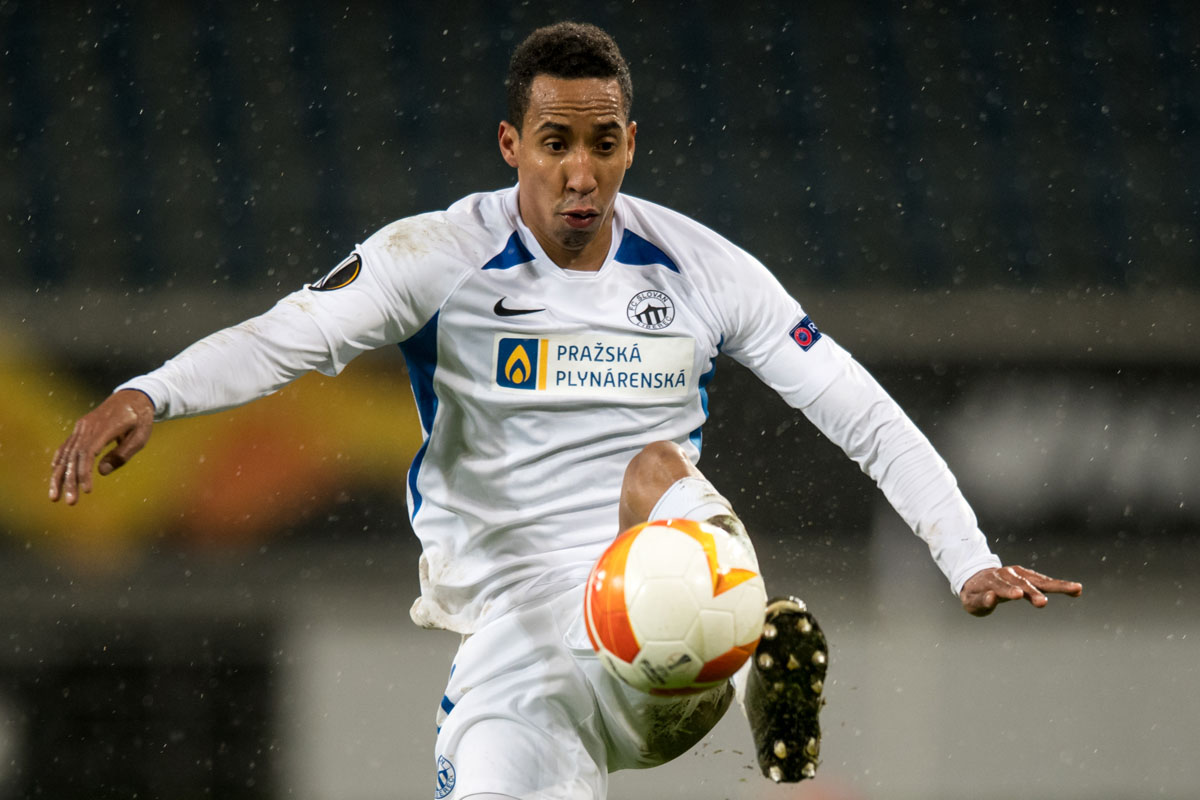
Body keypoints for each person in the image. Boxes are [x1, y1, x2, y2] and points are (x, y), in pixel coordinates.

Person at [49, 21, 1082, 800]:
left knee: (655, 471)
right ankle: (745, 655)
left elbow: (857, 405)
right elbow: (288, 336)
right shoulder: (436, 256)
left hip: (673, 623)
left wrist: (966, 555)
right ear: (511, 143)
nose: (580, 174)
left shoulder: (700, 268)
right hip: (524, 647)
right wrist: (152, 391)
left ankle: (752, 662)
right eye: (555, 143)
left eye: (602, 143)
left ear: (632, 144)